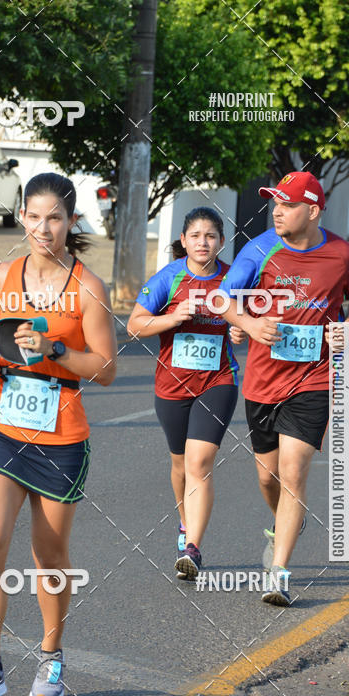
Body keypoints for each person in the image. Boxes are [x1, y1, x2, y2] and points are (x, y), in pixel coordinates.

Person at [0, 172, 117, 696]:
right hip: (0, 424)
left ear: (72, 221)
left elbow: (106, 368)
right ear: (21, 216)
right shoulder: (2, 275)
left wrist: (53, 350)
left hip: (61, 436)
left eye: (54, 217)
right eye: (33, 215)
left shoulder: (89, 287)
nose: (42, 227)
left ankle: (51, 655)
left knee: (48, 555)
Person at [224, 171, 349, 606]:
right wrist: (249, 323)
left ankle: (280, 573)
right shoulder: (259, 249)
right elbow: (225, 299)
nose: (276, 211)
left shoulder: (344, 255)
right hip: (263, 381)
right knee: (268, 477)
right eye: (275, 204)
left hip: (316, 378)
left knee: (293, 472)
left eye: (286, 205)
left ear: (312, 210)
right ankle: (285, 522)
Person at [127, 207, 242, 580]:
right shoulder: (169, 278)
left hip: (218, 381)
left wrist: (241, 330)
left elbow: (251, 319)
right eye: (195, 235)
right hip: (172, 385)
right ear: (183, 241)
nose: (203, 242)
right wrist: (174, 318)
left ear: (221, 242)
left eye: (210, 236)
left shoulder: (233, 279)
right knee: (180, 464)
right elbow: (135, 325)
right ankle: (183, 521)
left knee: (200, 464)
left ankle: (192, 548)